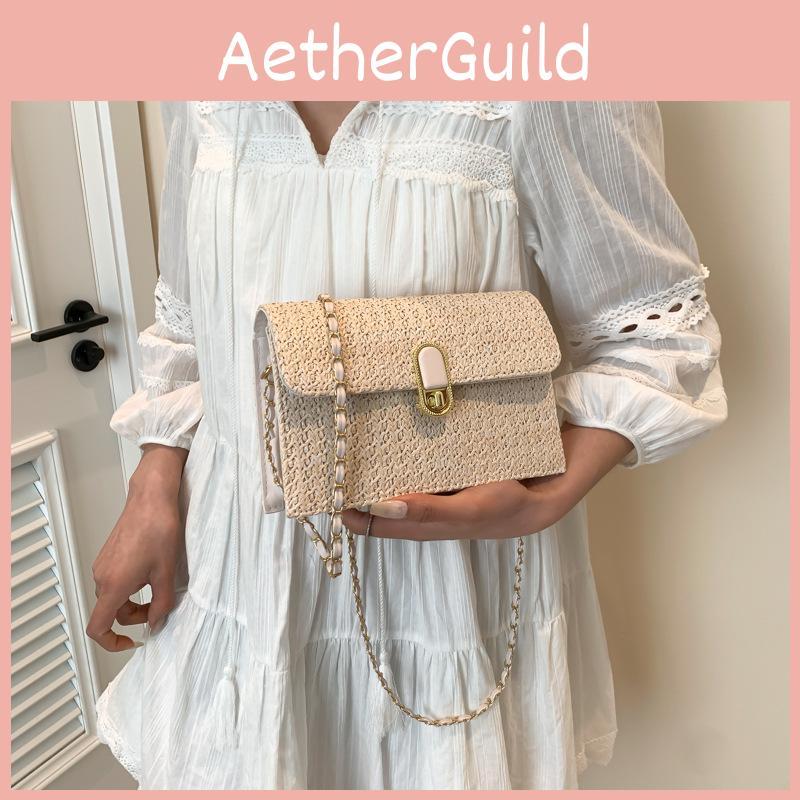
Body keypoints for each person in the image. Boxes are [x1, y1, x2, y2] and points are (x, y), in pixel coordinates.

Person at [89, 100, 727, 789]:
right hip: (236, 574)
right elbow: (189, 326)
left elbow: (659, 341)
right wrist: (151, 482)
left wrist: (544, 498)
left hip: (449, 595)